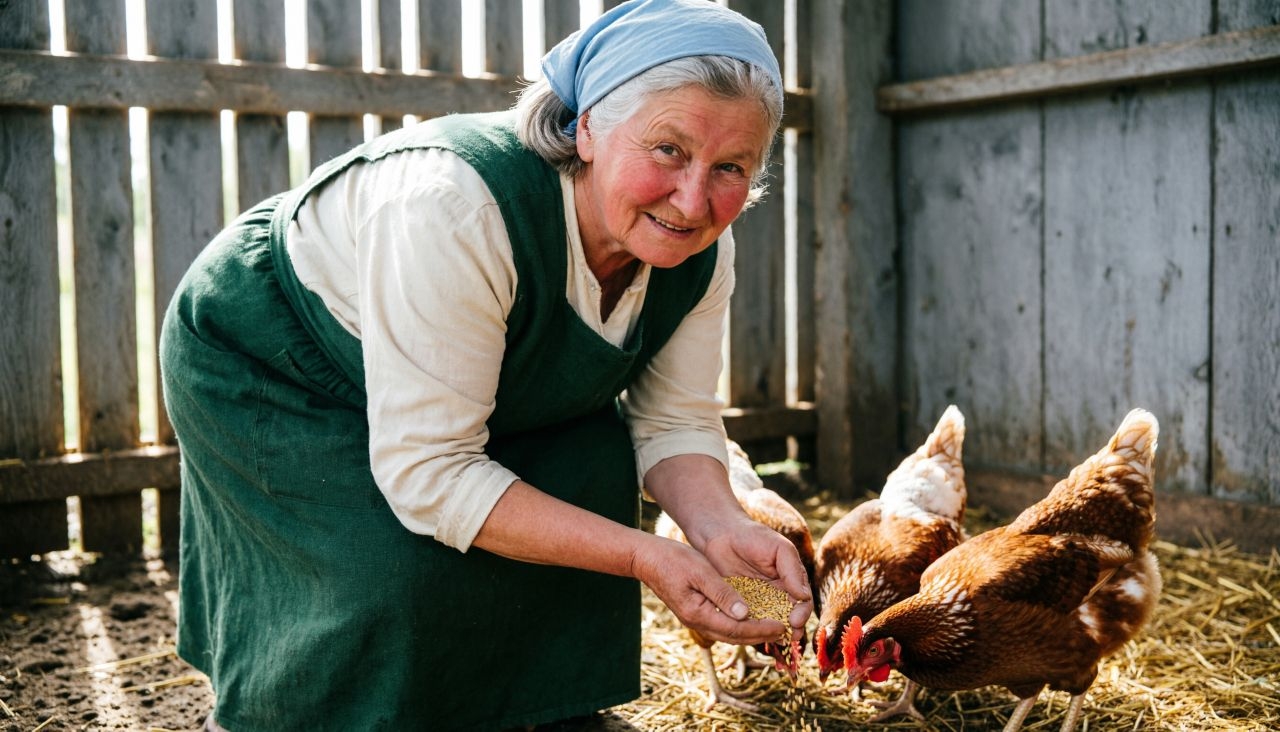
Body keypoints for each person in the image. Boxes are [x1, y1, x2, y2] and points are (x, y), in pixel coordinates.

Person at [159, 0, 810, 728]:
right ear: (589, 125)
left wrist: (723, 531)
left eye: (731, 166)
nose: (693, 200)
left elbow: (672, 421)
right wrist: (644, 558)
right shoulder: (455, 207)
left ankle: (535, 711)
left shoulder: (699, 251)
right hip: (279, 354)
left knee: (584, 469)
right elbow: (431, 473)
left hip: (459, 375)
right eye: (668, 150)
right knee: (383, 576)